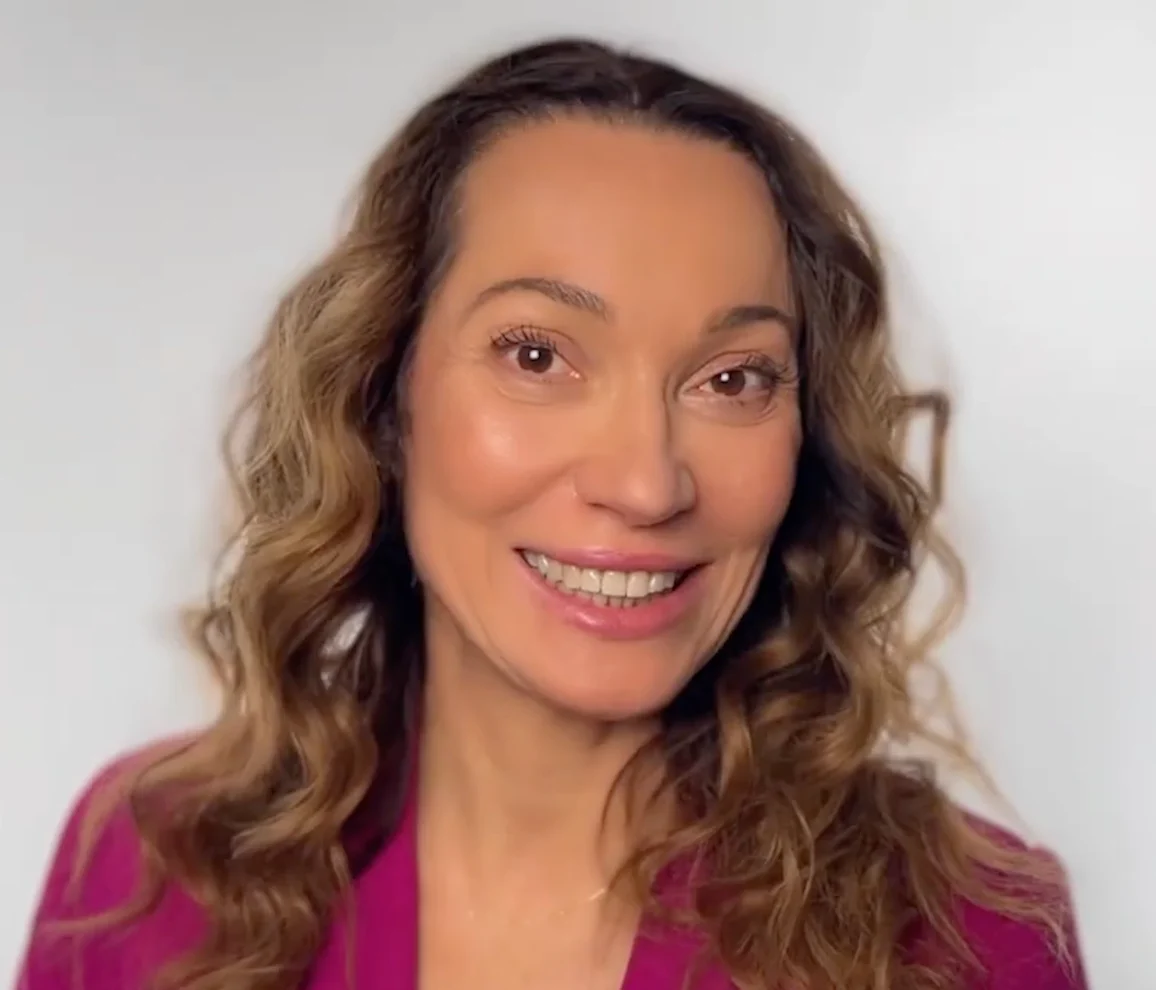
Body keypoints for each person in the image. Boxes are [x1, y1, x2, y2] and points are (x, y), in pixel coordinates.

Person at [16, 37, 1088, 990]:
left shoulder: (965, 936)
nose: (645, 482)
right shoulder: (153, 866)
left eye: (733, 379)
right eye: (536, 355)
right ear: (385, 397)